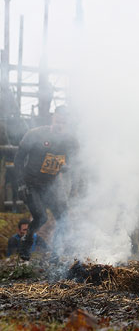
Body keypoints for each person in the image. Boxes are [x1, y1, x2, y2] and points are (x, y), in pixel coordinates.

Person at [13, 105, 79, 261]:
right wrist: (21, 183)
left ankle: (56, 254)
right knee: (41, 216)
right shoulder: (36, 134)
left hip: (52, 184)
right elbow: (18, 159)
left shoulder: (70, 141)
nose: (60, 125)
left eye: (64, 122)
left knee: (63, 218)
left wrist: (67, 169)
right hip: (31, 183)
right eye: (58, 120)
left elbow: (75, 164)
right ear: (53, 117)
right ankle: (26, 241)